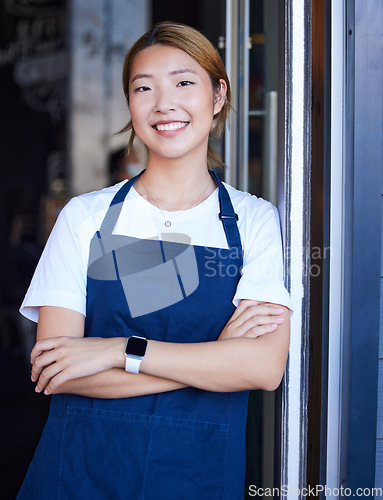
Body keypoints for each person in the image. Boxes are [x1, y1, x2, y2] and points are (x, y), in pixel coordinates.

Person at [17, 21, 292, 500]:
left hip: (198, 477)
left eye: (184, 83)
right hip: (80, 474)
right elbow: (56, 371)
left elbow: (263, 368)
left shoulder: (253, 221)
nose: (164, 103)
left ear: (219, 94)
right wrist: (213, 360)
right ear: (130, 104)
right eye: (144, 88)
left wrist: (115, 350)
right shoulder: (84, 218)